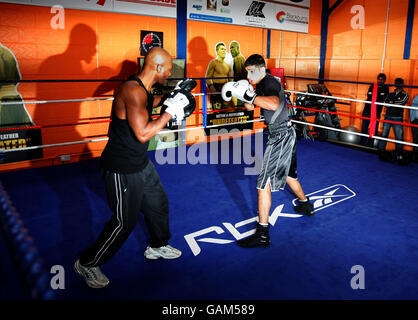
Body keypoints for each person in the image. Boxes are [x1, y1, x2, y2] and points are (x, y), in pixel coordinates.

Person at [74, 47, 195, 288]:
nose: (170, 72)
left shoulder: (143, 89)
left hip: (140, 163)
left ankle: (157, 246)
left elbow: (150, 103)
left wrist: (175, 93)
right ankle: (87, 263)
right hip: (121, 167)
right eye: (169, 68)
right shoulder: (132, 90)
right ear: (158, 67)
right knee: (124, 221)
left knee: (158, 203)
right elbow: (142, 134)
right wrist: (170, 113)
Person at [221, 54, 314, 248]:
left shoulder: (270, 82)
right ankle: (305, 204)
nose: (248, 74)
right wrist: (240, 94)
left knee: (263, 184)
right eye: (246, 71)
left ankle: (262, 234)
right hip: (285, 133)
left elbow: (273, 104)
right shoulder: (261, 85)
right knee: (289, 175)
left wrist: (252, 96)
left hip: (280, 136)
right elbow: (250, 106)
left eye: (250, 71)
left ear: (261, 68)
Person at [378, 77, 409, 162]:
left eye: (399, 83)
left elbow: (402, 103)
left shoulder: (405, 94)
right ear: (395, 84)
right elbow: (385, 103)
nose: (398, 85)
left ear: (402, 85)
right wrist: (391, 103)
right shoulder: (391, 93)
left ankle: (399, 155)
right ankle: (381, 152)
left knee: (399, 137)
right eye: (396, 83)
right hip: (387, 116)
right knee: (384, 136)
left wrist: (391, 102)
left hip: (397, 118)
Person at [360, 73, 389, 147]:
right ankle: (362, 144)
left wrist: (376, 97)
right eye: (378, 79)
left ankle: (370, 145)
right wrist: (378, 97)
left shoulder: (386, 88)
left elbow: (384, 98)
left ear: (384, 80)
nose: (380, 81)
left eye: (382, 79)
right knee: (364, 128)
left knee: (374, 130)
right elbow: (369, 95)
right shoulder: (372, 86)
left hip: (376, 112)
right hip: (367, 110)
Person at [205, 42, 232, 110]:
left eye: (224, 49)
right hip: (216, 88)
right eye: (222, 49)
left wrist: (230, 89)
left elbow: (230, 79)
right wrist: (212, 87)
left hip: (225, 88)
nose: (224, 51)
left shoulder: (227, 65)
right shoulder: (213, 63)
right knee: (215, 110)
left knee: (225, 109)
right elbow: (208, 77)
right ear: (217, 51)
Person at [411, 95, 418, 162]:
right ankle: (415, 157)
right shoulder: (417, 97)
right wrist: (412, 120)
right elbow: (412, 109)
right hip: (416, 121)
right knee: (415, 139)